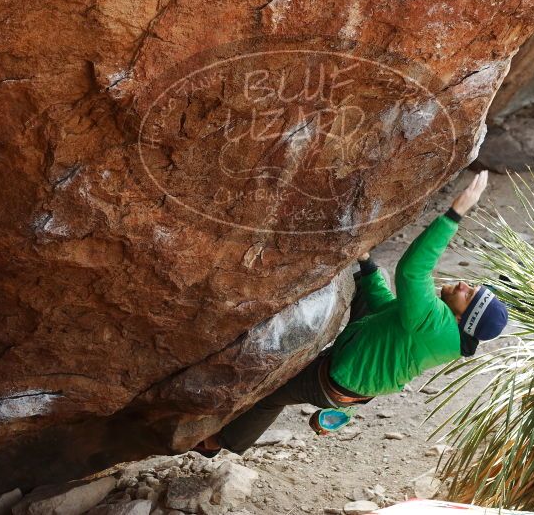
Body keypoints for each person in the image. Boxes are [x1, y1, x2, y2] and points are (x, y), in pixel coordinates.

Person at [197, 170, 509, 454]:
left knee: (271, 395)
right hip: (372, 341)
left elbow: (413, 272)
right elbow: (389, 311)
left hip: (340, 377)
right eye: (474, 287)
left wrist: (455, 214)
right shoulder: (440, 328)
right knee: (377, 281)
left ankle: (217, 443)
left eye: (469, 295)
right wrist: (367, 264)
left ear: (460, 319)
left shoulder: (436, 327)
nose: (465, 285)